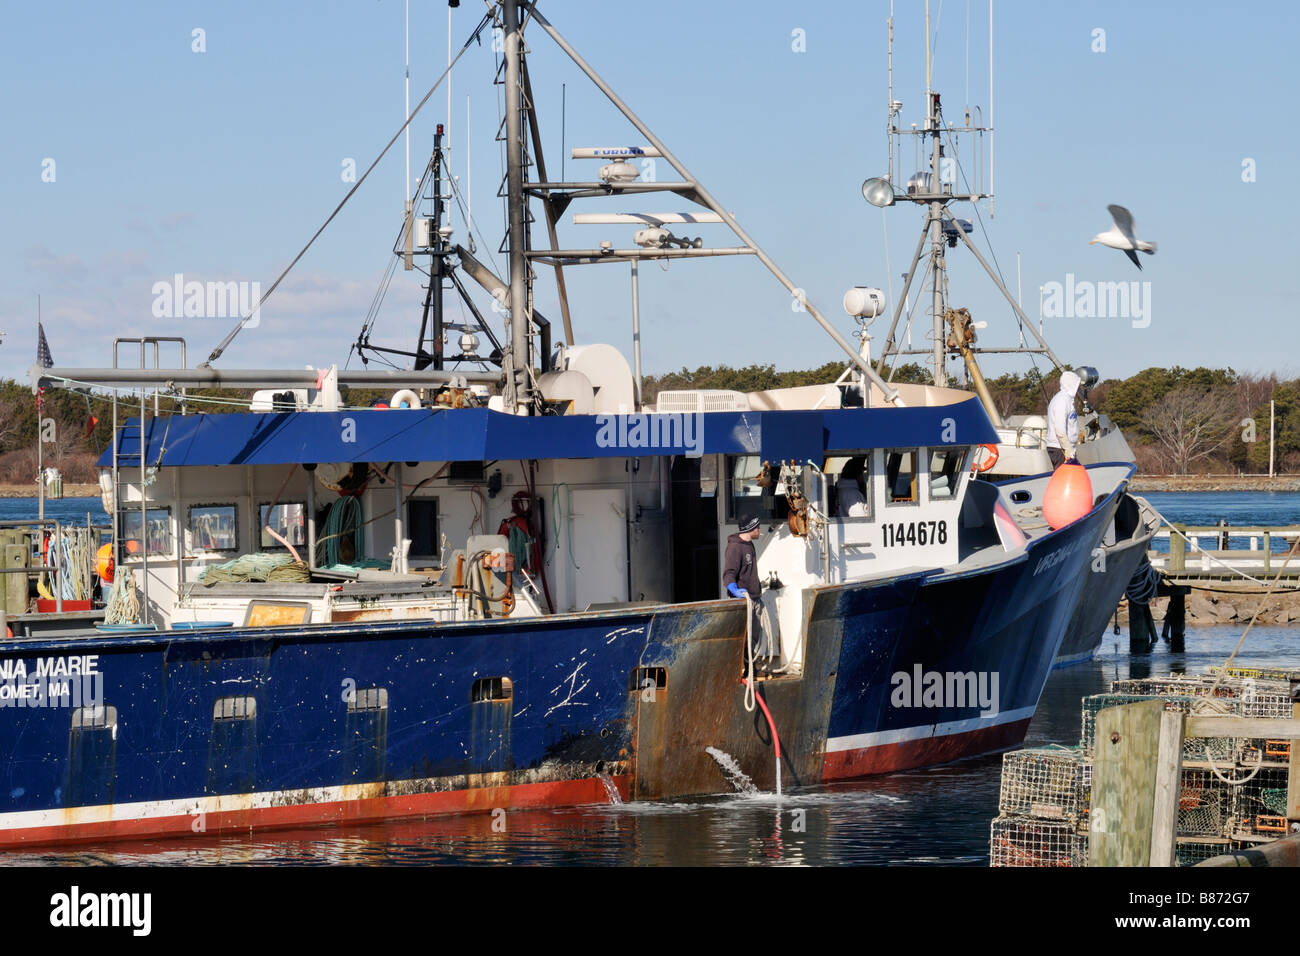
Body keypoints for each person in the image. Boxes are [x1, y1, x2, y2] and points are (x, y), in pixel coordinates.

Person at [723, 514, 778, 675]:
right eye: (757, 527)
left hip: (754, 598)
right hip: (744, 601)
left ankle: (751, 669)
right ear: (750, 529)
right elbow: (729, 573)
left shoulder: (749, 545)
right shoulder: (735, 547)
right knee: (745, 637)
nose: (760, 530)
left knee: (754, 636)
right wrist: (733, 589)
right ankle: (745, 670)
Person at [1045, 370, 1082, 469]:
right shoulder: (1062, 400)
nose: (1078, 388)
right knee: (1065, 481)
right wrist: (1068, 451)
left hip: (1064, 448)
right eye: (1077, 384)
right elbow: (1060, 429)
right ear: (1072, 384)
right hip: (1060, 448)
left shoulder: (1066, 399)